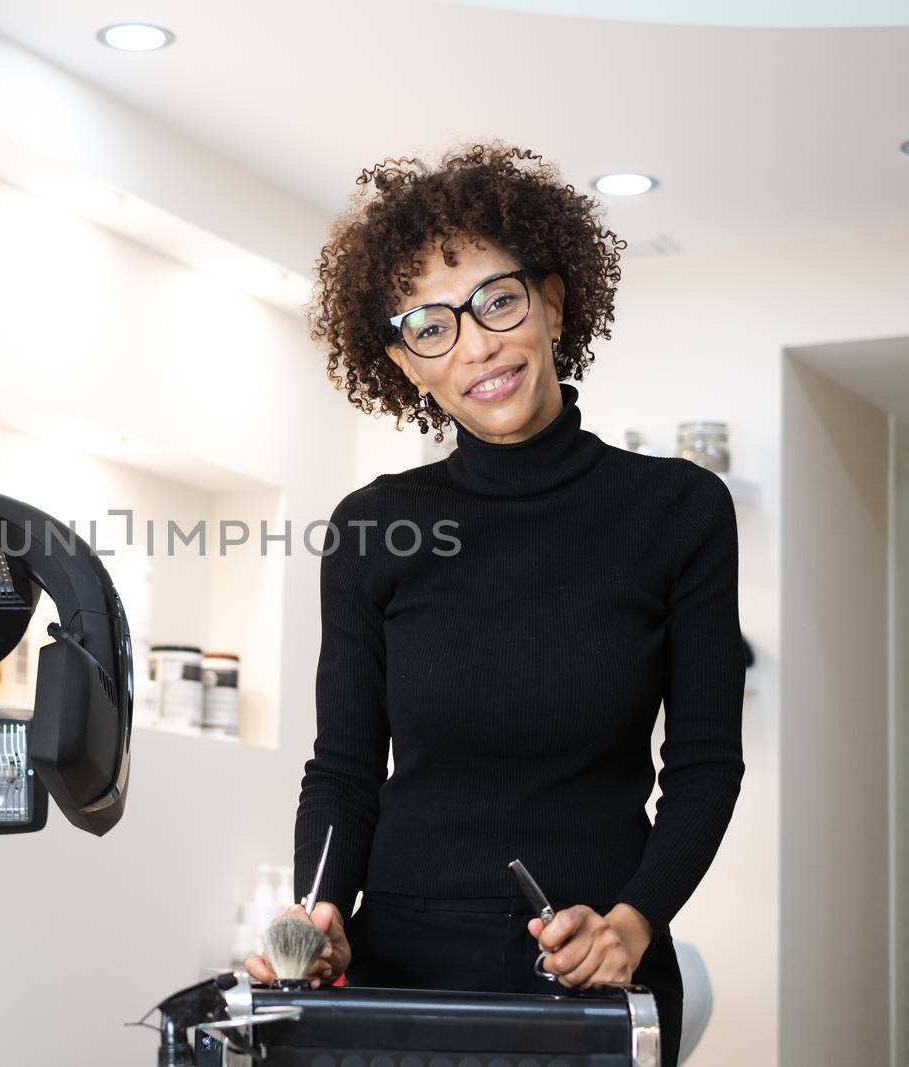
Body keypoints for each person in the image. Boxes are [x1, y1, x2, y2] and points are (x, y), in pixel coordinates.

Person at [244, 142, 746, 1067]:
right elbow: (346, 768)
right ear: (404, 362)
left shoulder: (678, 509)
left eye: (497, 301)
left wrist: (633, 924)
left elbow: (707, 763)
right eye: (430, 326)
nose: (475, 344)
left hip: (596, 963)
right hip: (403, 967)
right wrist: (323, 909)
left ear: (552, 302)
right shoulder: (372, 527)